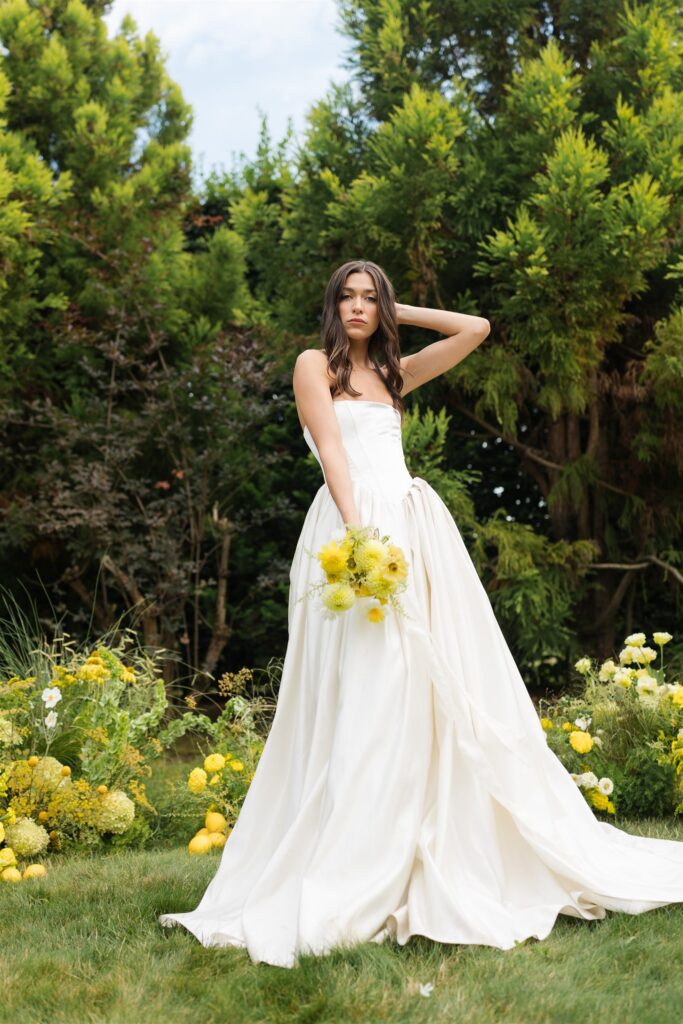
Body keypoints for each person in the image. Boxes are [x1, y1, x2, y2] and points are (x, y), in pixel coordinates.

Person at [159, 258, 682, 968]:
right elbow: (334, 452)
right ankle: (351, 852)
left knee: (424, 684)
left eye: (368, 299)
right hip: (354, 534)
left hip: (413, 531)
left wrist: (396, 315)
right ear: (329, 306)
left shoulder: (393, 374)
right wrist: (357, 535)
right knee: (364, 685)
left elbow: (476, 328)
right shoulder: (315, 365)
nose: (355, 308)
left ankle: (422, 838)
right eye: (346, 297)